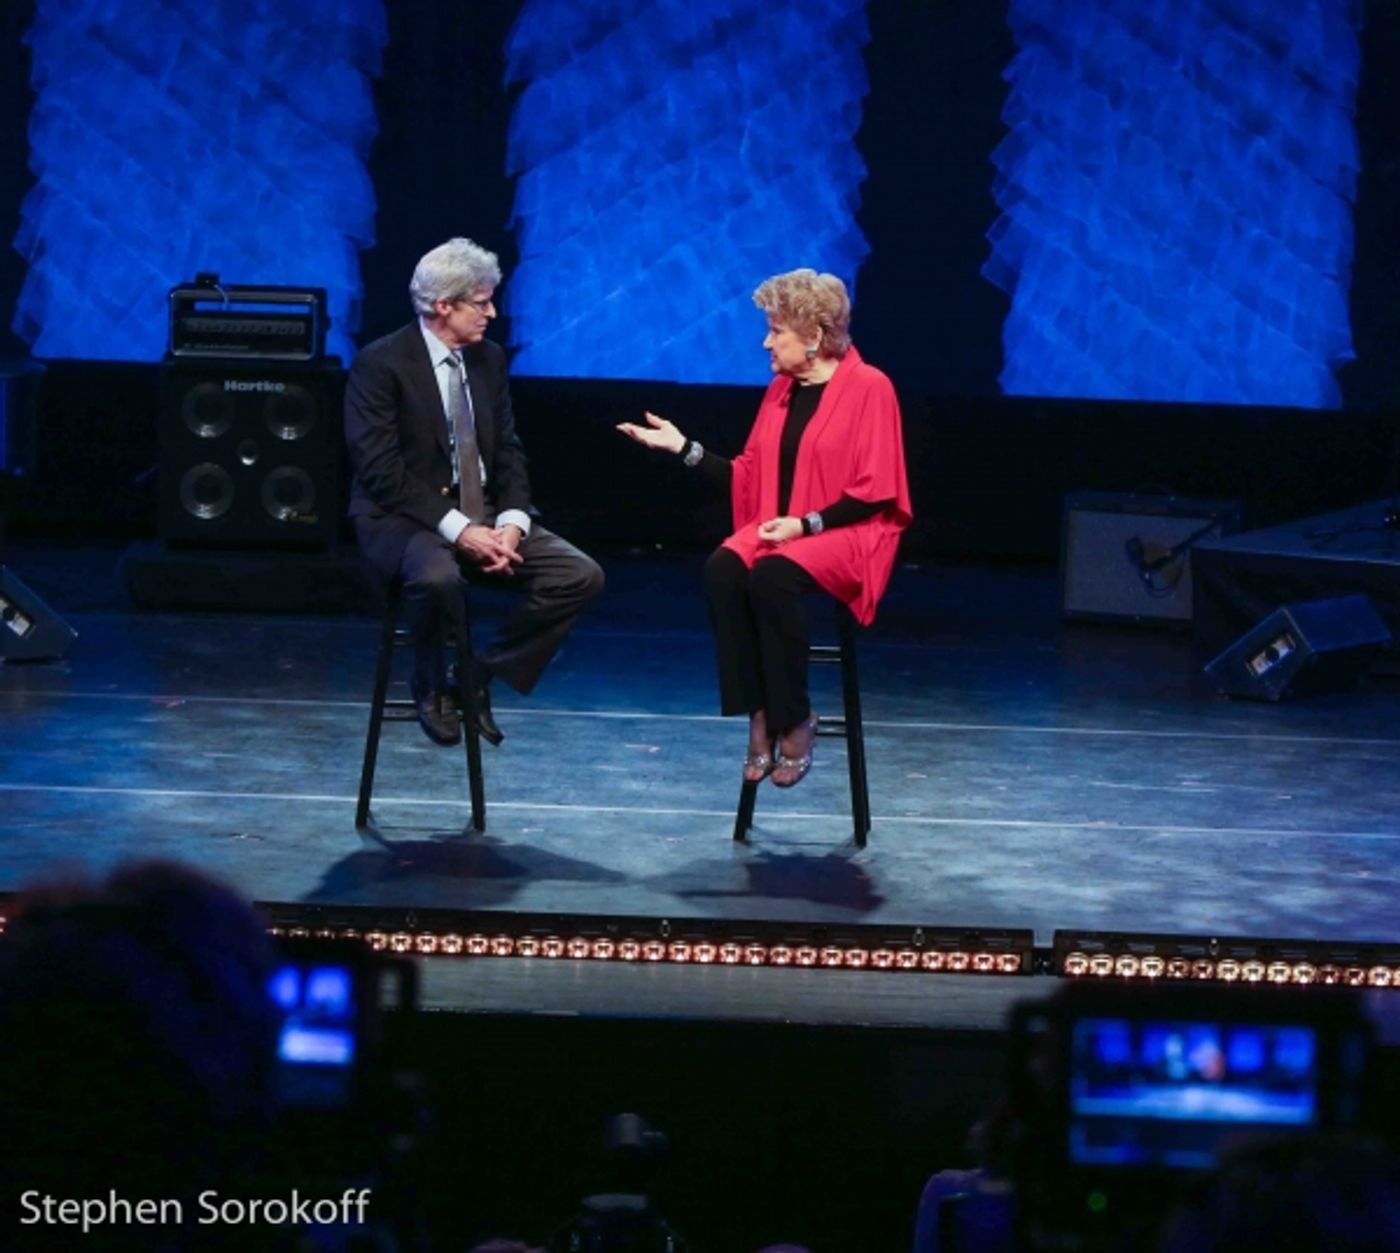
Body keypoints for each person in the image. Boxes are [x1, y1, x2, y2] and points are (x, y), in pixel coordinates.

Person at [618, 268, 910, 787]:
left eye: (777, 331)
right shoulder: (779, 390)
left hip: (848, 531)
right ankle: (760, 711)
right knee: (723, 569)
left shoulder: (871, 387)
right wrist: (683, 449)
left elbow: (877, 491)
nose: (765, 341)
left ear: (814, 337)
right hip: (781, 525)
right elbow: (748, 478)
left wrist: (805, 524)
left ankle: (793, 717)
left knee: (771, 578)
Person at [346, 237, 604, 748]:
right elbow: (381, 471)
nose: (492, 312)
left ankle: (474, 678)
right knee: (440, 580)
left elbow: (507, 450)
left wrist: (511, 521)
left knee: (580, 575)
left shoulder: (489, 359)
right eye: (481, 302)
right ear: (444, 306)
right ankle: (427, 682)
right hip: (406, 517)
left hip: (482, 512)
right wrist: (463, 531)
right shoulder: (382, 364)